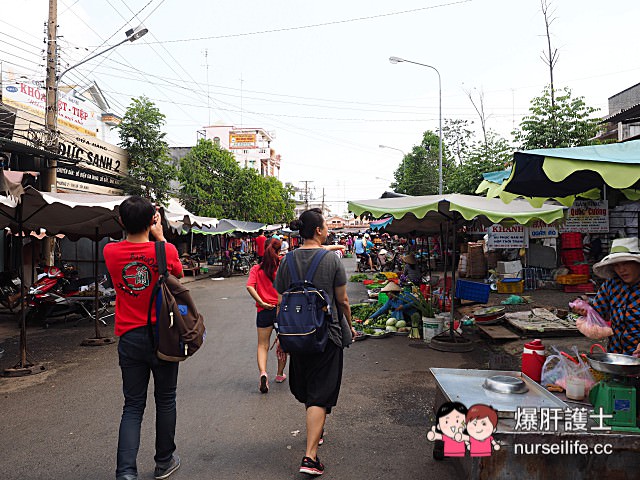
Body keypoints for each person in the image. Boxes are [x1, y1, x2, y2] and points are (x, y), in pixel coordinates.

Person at [103, 196, 183, 480]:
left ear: (121, 221)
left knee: (133, 406)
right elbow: (178, 276)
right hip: (164, 335)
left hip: (130, 337)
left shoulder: (110, 252)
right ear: (153, 220)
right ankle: (164, 462)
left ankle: (125, 473)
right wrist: (160, 238)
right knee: (166, 400)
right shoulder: (167, 250)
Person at [274, 208, 356, 476]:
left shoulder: (287, 261)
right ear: (319, 230)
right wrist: (350, 326)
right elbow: (342, 300)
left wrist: (281, 336)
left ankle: (316, 430)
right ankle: (310, 458)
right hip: (326, 335)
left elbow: (281, 300)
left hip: (296, 335)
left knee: (309, 388)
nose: (328, 230)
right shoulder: (331, 260)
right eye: (326, 226)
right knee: (320, 394)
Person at [578, 238, 640, 356]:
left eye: (626, 263)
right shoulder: (611, 286)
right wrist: (585, 310)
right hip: (616, 356)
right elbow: (597, 311)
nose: (621, 270)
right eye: (616, 265)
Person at [246, 238, 288, 393]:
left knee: (262, 345)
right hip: (281, 311)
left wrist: (261, 302)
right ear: (278, 250)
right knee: (282, 343)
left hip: (263, 311)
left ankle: (263, 372)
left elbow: (249, 286)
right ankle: (279, 374)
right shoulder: (283, 265)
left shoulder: (256, 269)